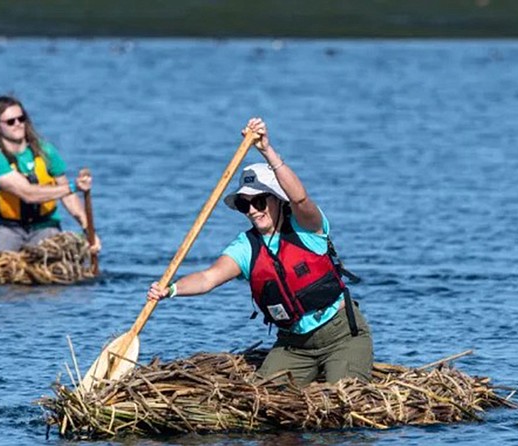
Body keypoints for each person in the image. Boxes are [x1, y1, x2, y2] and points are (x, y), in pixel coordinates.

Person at [148, 117, 373, 387]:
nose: (253, 210)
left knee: (342, 401)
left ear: (277, 199)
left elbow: (300, 198)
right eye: (245, 205)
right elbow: (208, 278)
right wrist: (170, 290)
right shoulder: (246, 247)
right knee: (264, 401)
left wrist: (266, 150)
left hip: (341, 336)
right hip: (294, 345)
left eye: (258, 200)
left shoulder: (306, 228)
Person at [0, 95, 101, 253]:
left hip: (46, 225)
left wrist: (88, 230)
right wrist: (74, 186)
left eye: (21, 119)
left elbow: (68, 196)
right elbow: (27, 193)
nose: (18, 124)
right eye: (10, 121)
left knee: (48, 261)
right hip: (10, 228)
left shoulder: (46, 151)